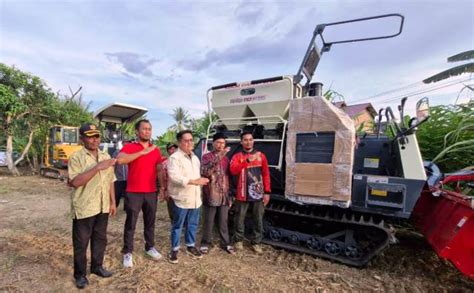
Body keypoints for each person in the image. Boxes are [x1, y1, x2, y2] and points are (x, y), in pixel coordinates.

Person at [68, 123, 117, 289]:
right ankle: (80, 275)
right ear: (82, 139)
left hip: (102, 206)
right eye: (90, 136)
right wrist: (97, 167)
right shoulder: (76, 158)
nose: (94, 140)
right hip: (84, 207)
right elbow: (75, 182)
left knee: (100, 240)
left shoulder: (105, 156)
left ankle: (97, 267)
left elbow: (110, 180)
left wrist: (112, 202)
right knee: (81, 243)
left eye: (96, 136)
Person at [116, 119, 164, 268]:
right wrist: (142, 152)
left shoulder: (155, 149)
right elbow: (120, 160)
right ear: (137, 131)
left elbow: (159, 169)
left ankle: (149, 247)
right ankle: (128, 252)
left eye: (149, 129)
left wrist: (162, 187)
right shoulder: (130, 146)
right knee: (131, 224)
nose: (147, 131)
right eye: (144, 129)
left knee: (150, 222)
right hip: (133, 192)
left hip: (151, 192)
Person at [167, 130, 209, 264]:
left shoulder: (195, 157)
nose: (190, 143)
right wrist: (195, 181)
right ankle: (174, 249)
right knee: (178, 225)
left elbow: (197, 175)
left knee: (193, 224)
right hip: (181, 198)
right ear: (179, 142)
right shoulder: (174, 158)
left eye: (191, 140)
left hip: (195, 197)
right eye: (186, 140)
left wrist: (201, 180)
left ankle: (190, 245)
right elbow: (174, 177)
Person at [229, 131, 271, 254]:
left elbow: (266, 174)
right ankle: (238, 240)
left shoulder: (261, 156)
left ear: (253, 141)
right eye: (246, 140)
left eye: (250, 139)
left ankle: (256, 242)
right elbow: (233, 171)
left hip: (258, 192)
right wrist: (246, 162)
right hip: (242, 192)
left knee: (258, 218)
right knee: (239, 218)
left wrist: (267, 192)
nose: (248, 142)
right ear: (241, 142)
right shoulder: (237, 156)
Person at [200, 132, 234, 254]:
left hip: (224, 195)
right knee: (209, 220)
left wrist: (229, 195)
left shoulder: (226, 159)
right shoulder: (206, 157)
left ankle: (225, 243)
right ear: (213, 143)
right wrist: (219, 156)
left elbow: (228, 177)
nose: (221, 145)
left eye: (223, 143)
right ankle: (205, 243)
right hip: (211, 194)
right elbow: (205, 173)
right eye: (218, 142)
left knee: (223, 221)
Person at [159, 142, 178, 222]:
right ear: (168, 151)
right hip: (170, 191)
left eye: (174, 148)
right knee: (172, 211)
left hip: (181, 190)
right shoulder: (165, 163)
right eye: (171, 149)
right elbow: (163, 178)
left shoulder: (182, 161)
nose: (173, 150)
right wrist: (164, 190)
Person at [112, 140, 130, 209]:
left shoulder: (132, 153)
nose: (126, 144)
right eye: (125, 143)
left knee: (128, 195)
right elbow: (114, 165)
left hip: (128, 178)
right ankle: (114, 207)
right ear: (122, 144)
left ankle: (127, 208)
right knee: (117, 194)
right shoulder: (117, 153)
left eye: (128, 143)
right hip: (119, 178)